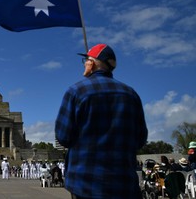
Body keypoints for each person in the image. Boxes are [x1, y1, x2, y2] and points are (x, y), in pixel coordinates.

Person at [55, 43, 148, 199]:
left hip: (86, 183)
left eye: (86, 60)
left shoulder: (76, 91)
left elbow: (64, 137)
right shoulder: (131, 94)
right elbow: (140, 139)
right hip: (124, 183)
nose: (84, 63)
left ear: (92, 63)